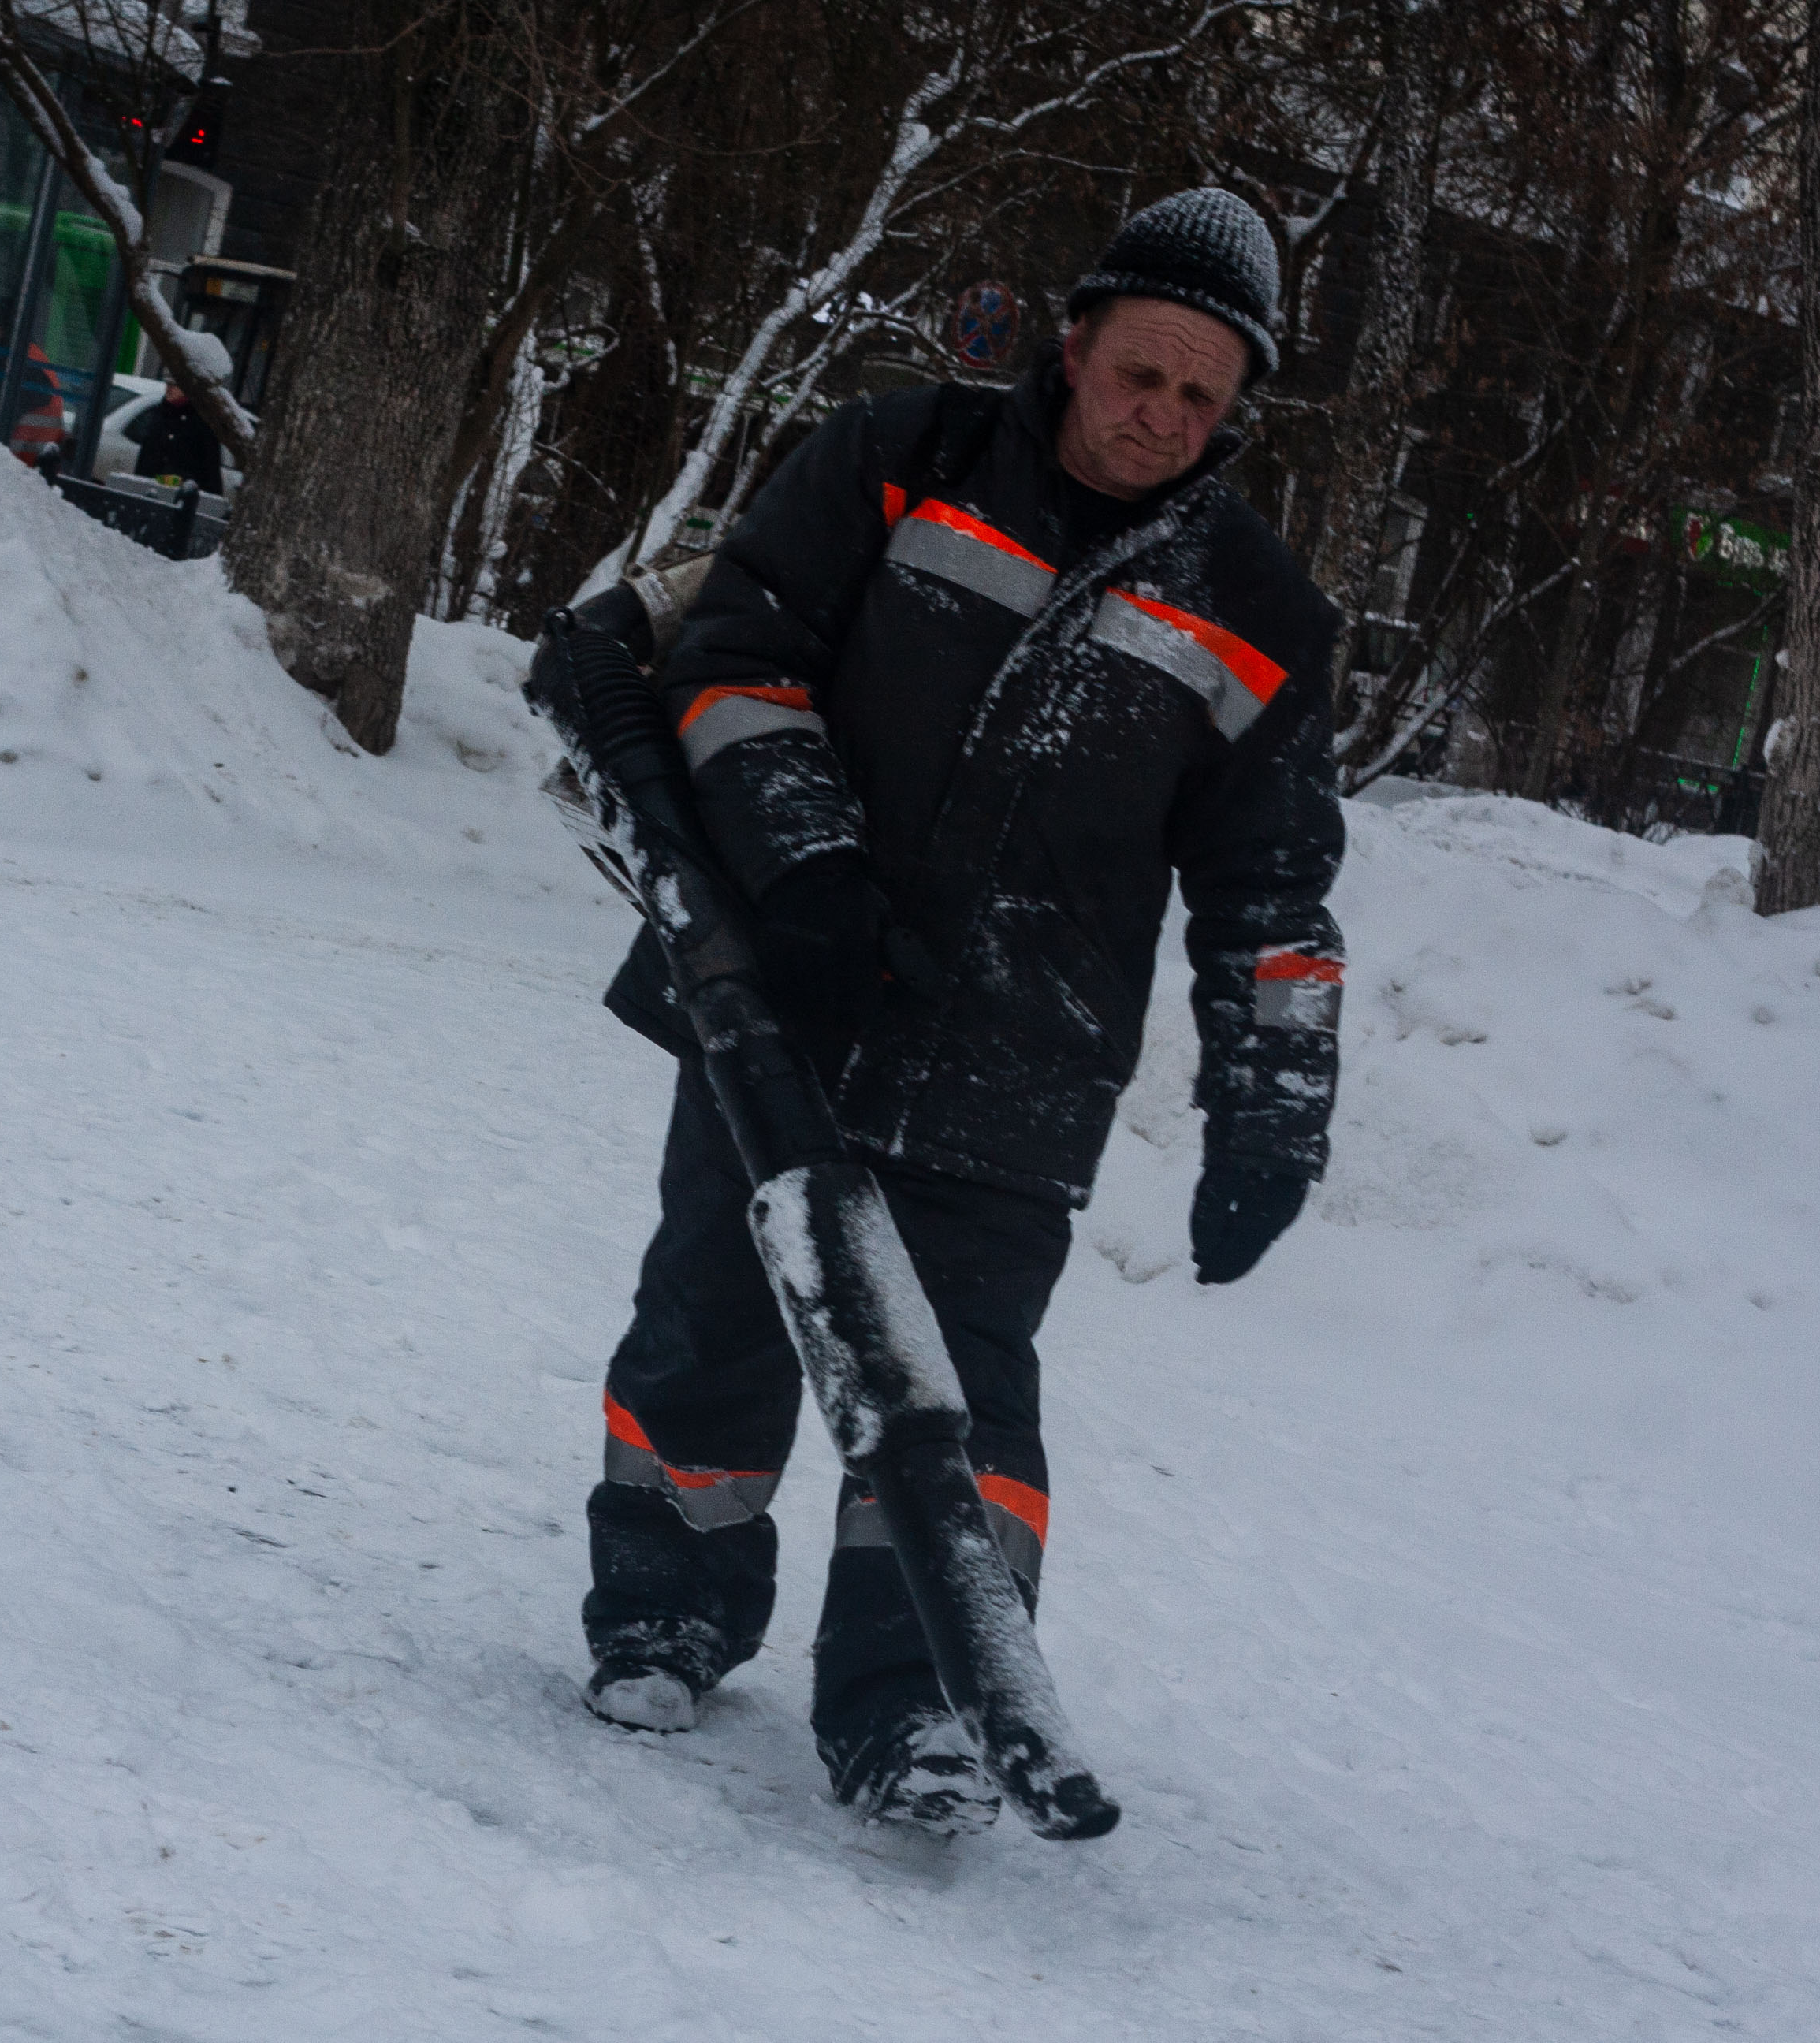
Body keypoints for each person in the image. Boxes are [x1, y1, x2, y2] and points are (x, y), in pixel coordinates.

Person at [574, 189, 1346, 1836]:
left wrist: (1275, 1114)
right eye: (1143, 374)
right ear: (1075, 347)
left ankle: (918, 1705)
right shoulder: (897, 459)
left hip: (1023, 1053)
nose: (1165, 419)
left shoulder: (1261, 610)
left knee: (964, 1393)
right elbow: (734, 656)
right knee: (715, 1310)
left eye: (1205, 398)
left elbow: (1274, 890)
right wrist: (805, 871)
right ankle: (667, 1611)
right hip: (785, 985)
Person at [129, 330, 233, 495]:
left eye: (174, 384)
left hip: (182, 500)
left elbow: (209, 470)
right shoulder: (159, 414)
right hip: (150, 494)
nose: (168, 388)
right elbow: (146, 458)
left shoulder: (201, 423)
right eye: (167, 383)